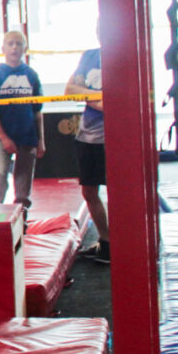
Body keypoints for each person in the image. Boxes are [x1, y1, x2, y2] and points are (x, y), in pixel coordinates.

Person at [0, 30, 46, 210]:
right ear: (3, 48)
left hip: (27, 135)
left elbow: (37, 111)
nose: (14, 47)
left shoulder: (31, 75)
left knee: (23, 183)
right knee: (0, 175)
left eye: (19, 44)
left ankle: (21, 218)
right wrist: (3, 137)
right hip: (3, 135)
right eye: (10, 44)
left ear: (25, 48)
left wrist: (40, 140)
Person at [66, 44, 109, 260]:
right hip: (87, 136)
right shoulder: (90, 55)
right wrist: (97, 95)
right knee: (89, 192)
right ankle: (106, 241)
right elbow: (69, 90)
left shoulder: (125, 56)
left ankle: (124, 243)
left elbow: (109, 104)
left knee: (120, 195)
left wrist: (84, 93)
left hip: (114, 137)